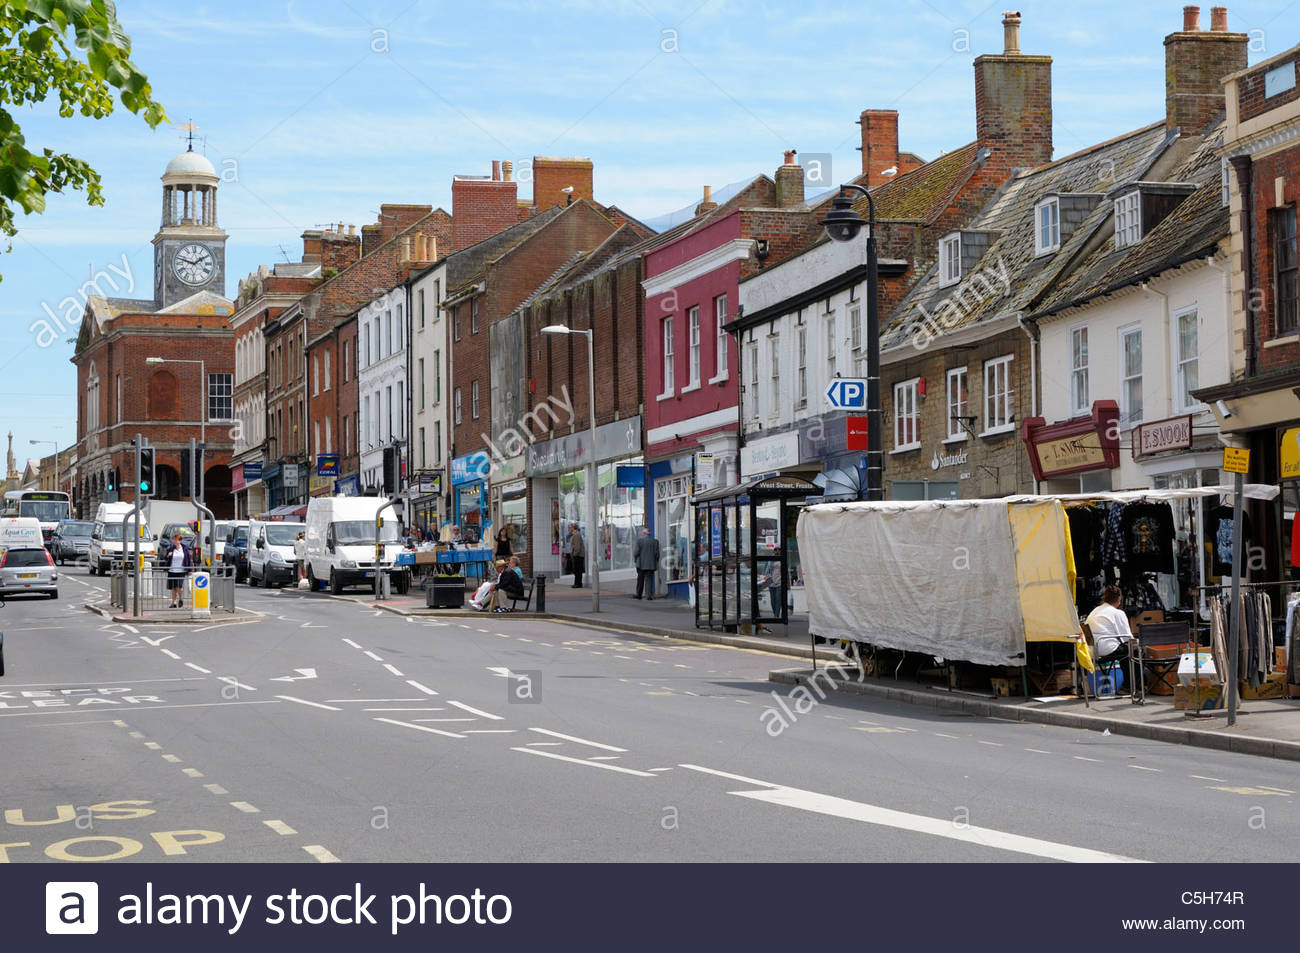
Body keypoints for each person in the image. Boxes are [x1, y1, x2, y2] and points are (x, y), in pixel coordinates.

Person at [1083, 585, 1136, 665]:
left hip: (1091, 651)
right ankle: (1133, 677)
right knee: (1135, 650)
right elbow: (1127, 638)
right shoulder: (1118, 613)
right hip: (1107, 650)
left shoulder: (1094, 611)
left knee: (1125, 650)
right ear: (1119, 599)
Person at [163, 533, 192, 609]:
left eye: (176, 540)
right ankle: (174, 602)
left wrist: (189, 569)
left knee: (179, 587)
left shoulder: (184, 549)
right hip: (172, 570)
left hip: (181, 571)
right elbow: (165, 558)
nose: (174, 541)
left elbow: (188, 560)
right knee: (173, 587)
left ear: (180, 541)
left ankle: (181, 599)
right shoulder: (171, 548)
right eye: (174, 540)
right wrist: (168, 555)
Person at [633, 526, 660, 600]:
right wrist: (655, 561)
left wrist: (635, 559)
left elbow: (636, 552)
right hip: (651, 564)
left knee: (640, 580)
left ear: (643, 533)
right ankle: (648, 595)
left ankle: (639, 594)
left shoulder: (639, 541)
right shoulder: (655, 542)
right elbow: (657, 554)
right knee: (649, 580)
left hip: (641, 564)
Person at [568, 523, 586, 588]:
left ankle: (578, 584)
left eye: (569, 528)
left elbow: (577, 546)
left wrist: (575, 555)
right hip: (578, 555)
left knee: (577, 570)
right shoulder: (575, 535)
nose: (569, 529)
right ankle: (577, 583)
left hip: (578, 555)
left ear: (573, 528)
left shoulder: (576, 535)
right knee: (577, 570)